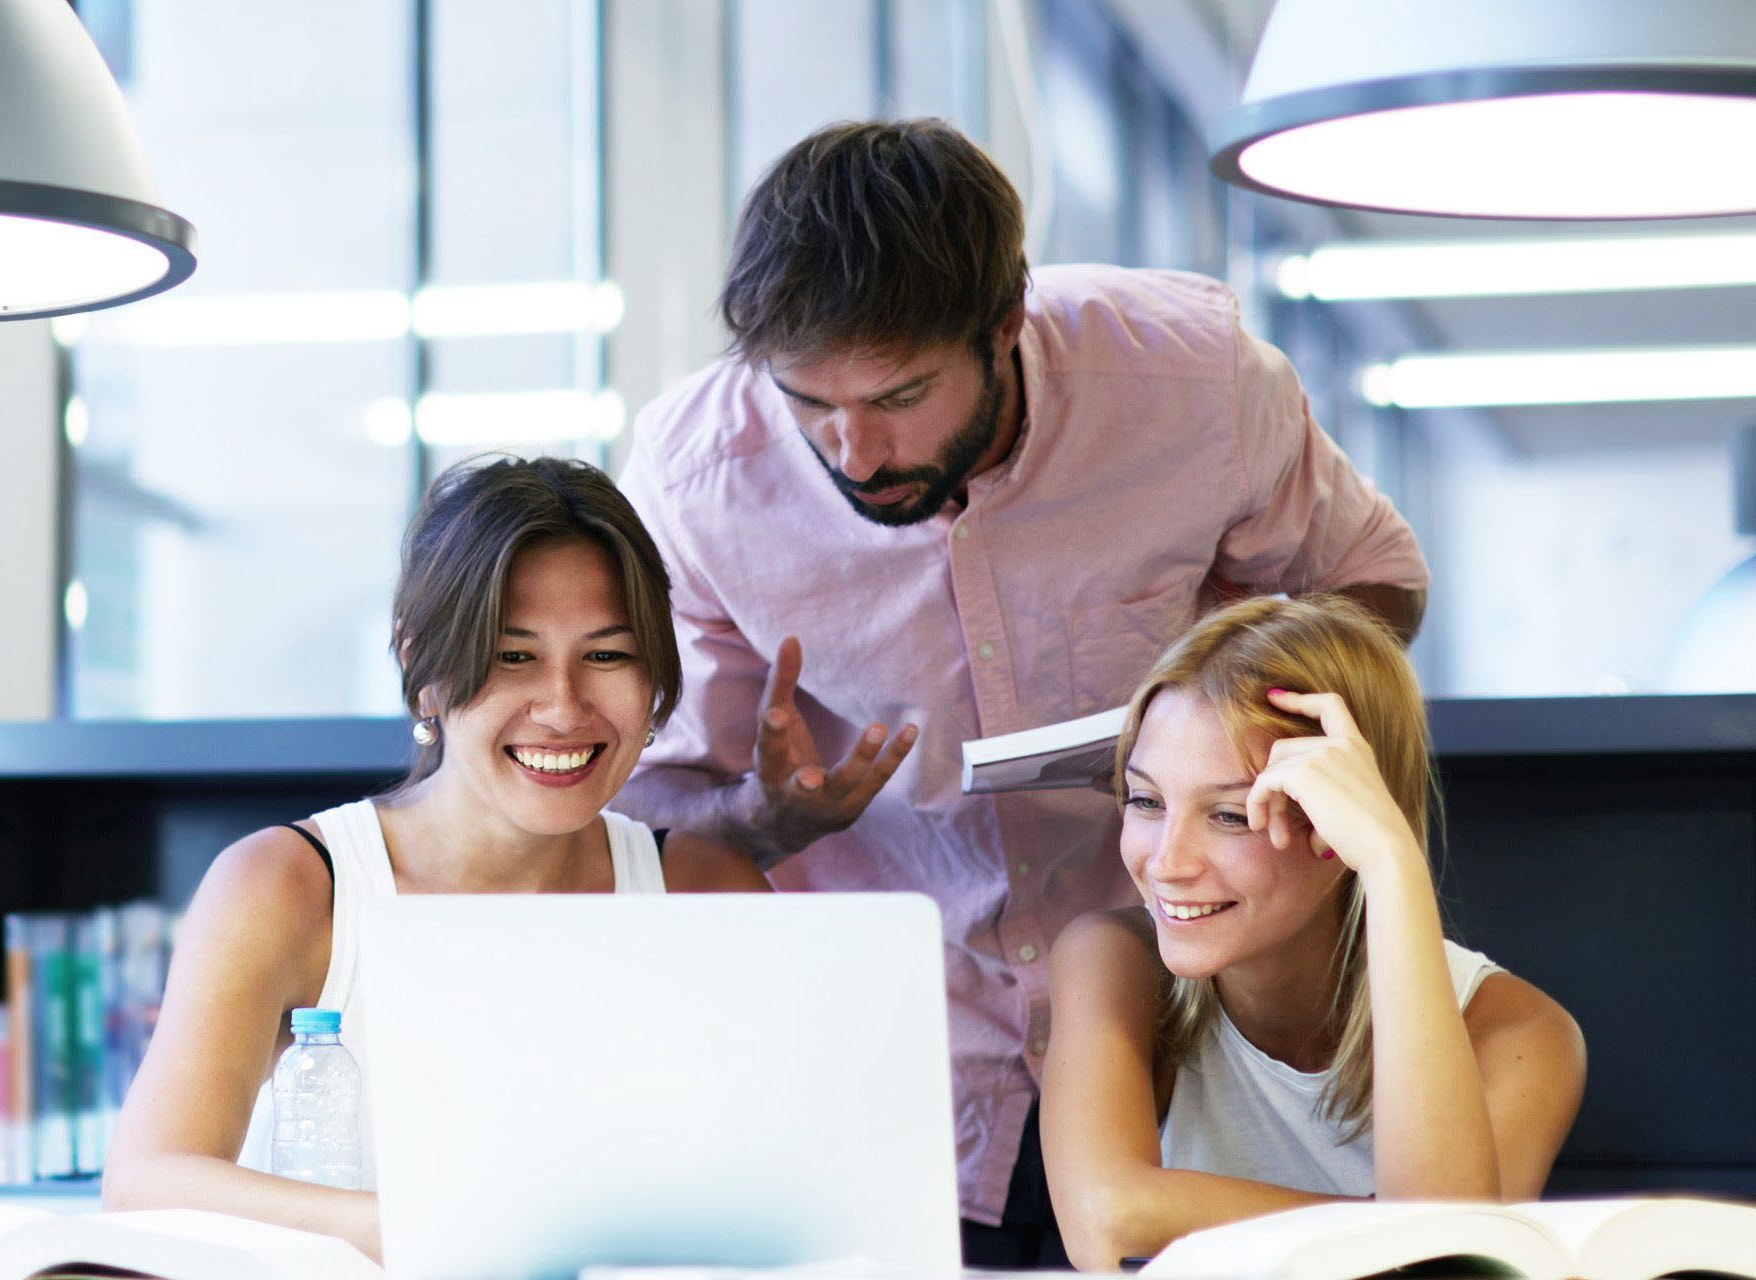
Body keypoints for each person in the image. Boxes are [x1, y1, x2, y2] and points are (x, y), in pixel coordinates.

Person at [611, 118, 1432, 1264]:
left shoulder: (1189, 380)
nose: (851, 451)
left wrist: (1234, 723)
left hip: (1200, 1022)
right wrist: (765, 819)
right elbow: (641, 802)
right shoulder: (695, 478)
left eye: (899, 396)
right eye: (808, 403)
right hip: (896, 1062)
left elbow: (1375, 587)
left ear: (1005, 327)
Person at [99, 456, 768, 1257]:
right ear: (424, 671)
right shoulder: (288, 884)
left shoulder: (709, 893)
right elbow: (147, 1182)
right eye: (513, 656)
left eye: (607, 656)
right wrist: (416, 1230)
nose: (563, 708)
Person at [1039, 597, 1585, 1270]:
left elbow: (1442, 1269)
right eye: (1146, 801)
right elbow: (1107, 1220)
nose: (1166, 863)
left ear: (1346, 820)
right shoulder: (1113, 958)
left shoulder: (1522, 1034)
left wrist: (1391, 865)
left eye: (1232, 815)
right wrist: (1400, 1227)